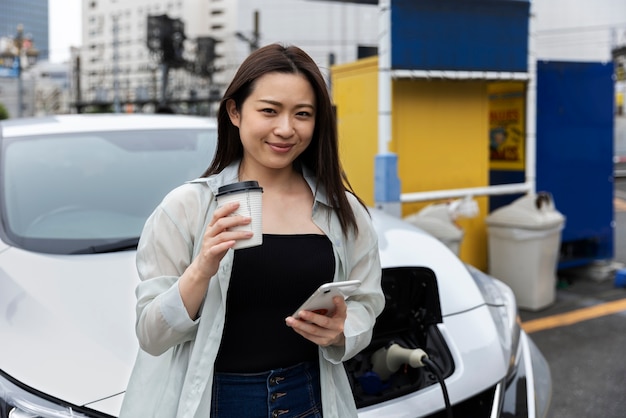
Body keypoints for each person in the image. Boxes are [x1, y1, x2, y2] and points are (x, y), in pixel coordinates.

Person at [120, 43, 385, 418]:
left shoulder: (345, 210)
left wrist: (343, 332)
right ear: (234, 111)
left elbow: (367, 303)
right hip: (218, 402)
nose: (285, 129)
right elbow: (151, 334)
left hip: (308, 398)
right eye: (269, 111)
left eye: (303, 114)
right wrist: (201, 268)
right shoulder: (188, 207)